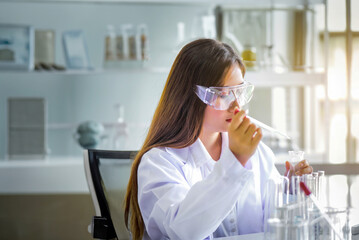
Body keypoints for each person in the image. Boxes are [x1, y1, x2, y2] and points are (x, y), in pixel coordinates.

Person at [124, 38, 313, 240]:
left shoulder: (257, 153)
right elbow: (184, 231)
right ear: (190, 97)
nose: (236, 106)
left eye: (239, 92)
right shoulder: (159, 163)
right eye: (223, 94)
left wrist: (291, 191)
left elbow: (275, 228)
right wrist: (235, 161)